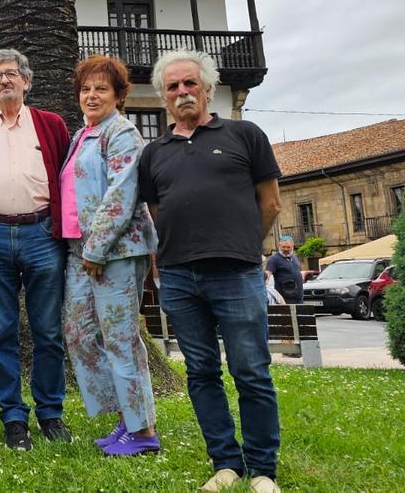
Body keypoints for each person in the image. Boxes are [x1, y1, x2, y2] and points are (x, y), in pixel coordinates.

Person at [137, 50, 284, 493]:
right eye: (173, 87)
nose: (182, 92)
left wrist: (244, 246)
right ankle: (225, 463)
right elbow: (157, 212)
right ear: (164, 96)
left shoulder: (245, 135)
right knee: (200, 372)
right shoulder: (154, 154)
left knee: (251, 370)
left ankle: (262, 469)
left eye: (189, 84)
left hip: (236, 272)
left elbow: (271, 202)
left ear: (207, 88)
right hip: (180, 276)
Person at [0, 48, 72, 452]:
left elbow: (66, 177)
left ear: (26, 81)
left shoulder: (51, 125)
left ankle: (51, 412)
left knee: (49, 331)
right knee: (0, 331)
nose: (4, 80)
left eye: (11, 74)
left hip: (42, 234)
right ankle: (13, 418)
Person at [58, 56, 160, 456]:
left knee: (120, 340)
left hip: (115, 253)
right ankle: (125, 418)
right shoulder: (82, 135)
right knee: (79, 333)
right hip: (79, 253)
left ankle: (144, 431)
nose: (92, 95)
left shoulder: (122, 133)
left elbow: (121, 194)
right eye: (85, 89)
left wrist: (97, 248)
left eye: (101, 88)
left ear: (119, 95)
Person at [265, 237, 304, 304]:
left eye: (288, 247)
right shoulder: (274, 259)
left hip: (298, 297)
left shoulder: (294, 258)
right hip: (285, 298)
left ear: (292, 246)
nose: (286, 249)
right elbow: (267, 275)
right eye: (283, 247)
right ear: (279, 246)